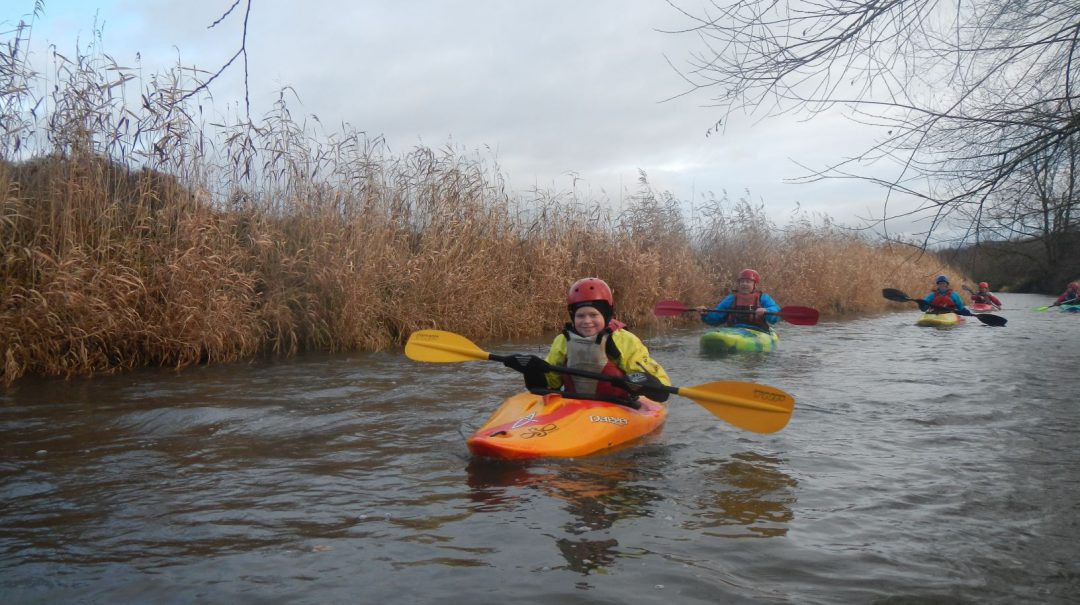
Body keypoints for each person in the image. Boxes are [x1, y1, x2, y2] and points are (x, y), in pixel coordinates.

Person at [501, 277, 671, 405]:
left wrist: (637, 380)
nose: (586, 321)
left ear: (606, 315)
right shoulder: (563, 340)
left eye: (593, 315)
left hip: (618, 406)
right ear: (572, 317)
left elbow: (662, 389)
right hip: (574, 404)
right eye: (580, 316)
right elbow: (550, 385)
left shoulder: (624, 341)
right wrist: (531, 370)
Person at [695, 268, 781, 331]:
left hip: (757, 331)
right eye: (741, 282)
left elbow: (776, 313)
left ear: (754, 285)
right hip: (734, 330)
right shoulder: (731, 299)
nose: (744, 284)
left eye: (748, 282)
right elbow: (716, 318)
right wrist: (705, 314)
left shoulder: (763, 298)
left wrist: (766, 310)